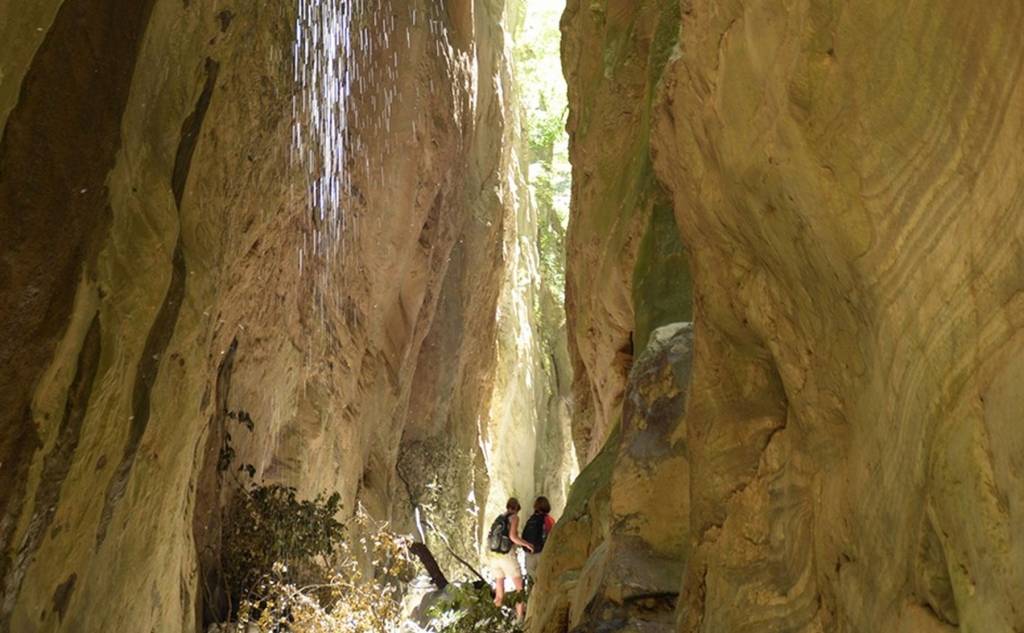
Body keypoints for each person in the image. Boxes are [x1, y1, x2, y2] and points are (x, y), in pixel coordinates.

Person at [487, 497, 533, 621]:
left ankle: (494, 619)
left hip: (494, 557)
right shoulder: (514, 518)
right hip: (507, 556)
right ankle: (519, 620)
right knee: (519, 589)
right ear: (517, 509)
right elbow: (513, 537)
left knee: (499, 593)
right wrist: (526, 544)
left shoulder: (499, 517)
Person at [522, 496, 556, 580]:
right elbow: (553, 535)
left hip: (529, 554)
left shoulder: (531, 519)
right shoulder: (548, 519)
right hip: (541, 553)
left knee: (535, 581)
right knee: (544, 579)